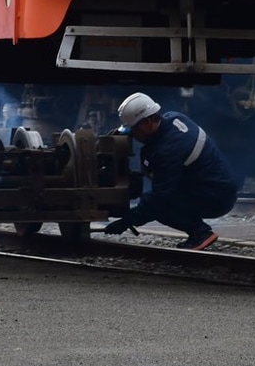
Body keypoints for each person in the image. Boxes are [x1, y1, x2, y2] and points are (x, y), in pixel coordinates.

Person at [100, 93, 239, 250]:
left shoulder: (168, 150)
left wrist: (127, 221)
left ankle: (200, 233)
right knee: (157, 198)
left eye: (134, 130)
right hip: (213, 187)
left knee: (160, 206)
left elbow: (159, 198)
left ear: (149, 121)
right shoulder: (174, 118)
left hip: (215, 198)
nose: (134, 136)